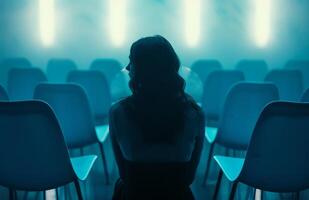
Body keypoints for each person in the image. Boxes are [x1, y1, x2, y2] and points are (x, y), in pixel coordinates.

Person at [109, 35, 205, 200]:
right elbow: (189, 177)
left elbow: (125, 174)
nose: (127, 67)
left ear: (141, 69)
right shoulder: (194, 113)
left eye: (131, 61)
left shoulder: (118, 112)